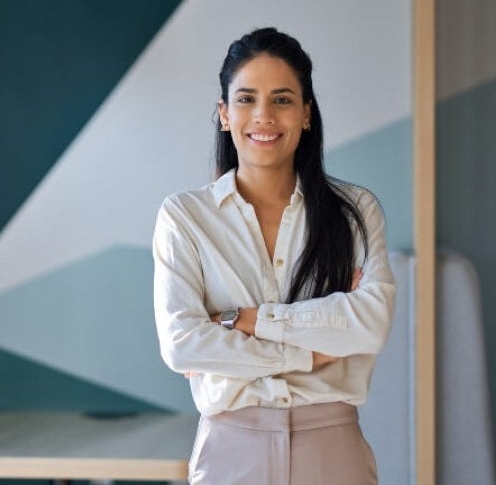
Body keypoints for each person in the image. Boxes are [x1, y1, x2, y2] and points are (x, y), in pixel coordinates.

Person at [153, 27, 396, 484]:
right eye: (245, 99)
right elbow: (182, 342)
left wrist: (243, 320)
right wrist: (307, 352)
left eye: (282, 99)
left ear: (306, 114)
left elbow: (371, 322)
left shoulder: (356, 211)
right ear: (224, 114)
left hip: (332, 448)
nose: (263, 115)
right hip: (230, 451)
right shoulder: (185, 216)